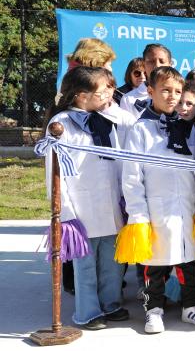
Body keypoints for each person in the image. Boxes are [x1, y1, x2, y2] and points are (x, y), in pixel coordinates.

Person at [121, 67, 195, 333]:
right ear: (150, 91)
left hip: (185, 207)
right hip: (155, 209)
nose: (172, 96)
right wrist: (138, 214)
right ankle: (154, 309)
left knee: (188, 261)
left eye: (177, 91)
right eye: (165, 90)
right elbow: (131, 177)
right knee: (154, 264)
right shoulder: (140, 130)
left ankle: (190, 307)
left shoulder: (188, 128)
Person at [46, 66, 134, 330]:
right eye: (103, 88)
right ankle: (88, 311)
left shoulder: (106, 118)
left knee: (112, 261)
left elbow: (120, 156)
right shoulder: (61, 123)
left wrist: (124, 197)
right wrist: (66, 213)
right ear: (82, 96)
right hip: (82, 208)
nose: (111, 91)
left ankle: (111, 303)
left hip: (111, 205)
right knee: (85, 266)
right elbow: (55, 172)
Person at [120, 44, 173, 118]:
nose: (157, 65)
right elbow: (126, 129)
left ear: (170, 64)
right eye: (151, 61)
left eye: (162, 61)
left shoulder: (180, 95)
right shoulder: (128, 99)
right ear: (144, 64)